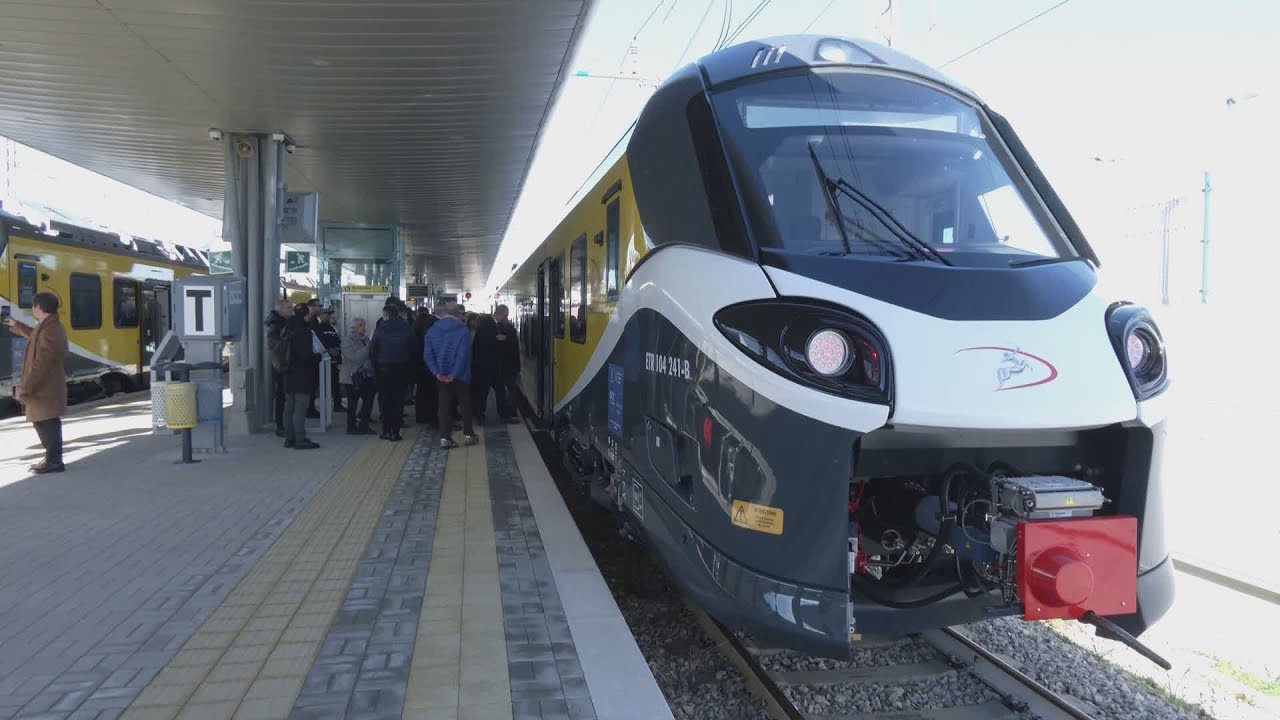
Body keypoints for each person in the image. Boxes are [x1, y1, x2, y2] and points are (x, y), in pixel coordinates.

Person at [3, 292, 69, 473]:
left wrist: (26, 388)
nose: (32, 309)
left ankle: (54, 462)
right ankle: (51, 458)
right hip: (44, 387)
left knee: (46, 422)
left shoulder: (51, 329)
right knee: (43, 420)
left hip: (44, 387)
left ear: (39, 308)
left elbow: (41, 364)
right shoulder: (48, 327)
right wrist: (17, 325)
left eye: (33, 307)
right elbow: (35, 336)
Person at [424, 302, 477, 448]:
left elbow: (428, 355)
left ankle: (445, 439)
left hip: (441, 376)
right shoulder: (462, 331)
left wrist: (437, 373)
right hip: (461, 376)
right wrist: (454, 374)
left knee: (444, 407)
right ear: (457, 314)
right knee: (465, 405)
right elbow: (463, 355)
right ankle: (468, 435)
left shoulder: (433, 330)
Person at [368, 304, 413, 442]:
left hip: (383, 369)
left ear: (386, 315)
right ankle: (396, 432)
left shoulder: (380, 328)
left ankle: (386, 431)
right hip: (402, 368)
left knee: (384, 399)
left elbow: (372, 350)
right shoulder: (406, 327)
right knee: (398, 400)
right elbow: (414, 348)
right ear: (398, 314)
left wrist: (375, 366)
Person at [282, 306, 321, 449]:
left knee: (289, 406)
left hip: (288, 373)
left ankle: (289, 438)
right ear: (305, 316)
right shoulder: (305, 333)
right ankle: (300, 439)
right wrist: (317, 357)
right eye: (309, 314)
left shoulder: (288, 329)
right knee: (300, 407)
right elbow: (306, 356)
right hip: (302, 375)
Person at [339, 317, 376, 435]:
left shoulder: (366, 340)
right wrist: (367, 349)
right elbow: (354, 358)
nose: (364, 328)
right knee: (353, 402)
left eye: (364, 325)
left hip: (367, 375)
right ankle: (351, 426)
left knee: (368, 401)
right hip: (352, 377)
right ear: (353, 328)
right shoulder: (346, 341)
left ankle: (364, 425)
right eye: (360, 325)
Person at [264, 299, 293, 436]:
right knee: (281, 396)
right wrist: (288, 339)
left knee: (286, 396)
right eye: (288, 308)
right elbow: (275, 346)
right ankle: (280, 426)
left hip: (285, 364)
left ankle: (285, 424)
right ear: (280, 310)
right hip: (280, 366)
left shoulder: (284, 323)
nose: (291, 310)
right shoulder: (275, 326)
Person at [493, 304, 521, 422]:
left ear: (502, 315)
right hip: (511, 365)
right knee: (510, 388)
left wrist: (504, 339)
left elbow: (510, 346)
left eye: (497, 314)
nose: (496, 316)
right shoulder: (508, 327)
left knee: (510, 389)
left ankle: (511, 411)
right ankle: (511, 411)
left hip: (507, 365)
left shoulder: (505, 327)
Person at [412, 309, 438, 426]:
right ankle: (431, 417)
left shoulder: (414, 333)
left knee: (421, 392)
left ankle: (421, 416)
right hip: (429, 367)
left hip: (418, 367)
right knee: (431, 393)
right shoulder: (429, 335)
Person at [315, 308, 344, 413]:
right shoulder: (318, 329)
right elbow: (319, 343)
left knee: (335, 383)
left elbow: (337, 341)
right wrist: (329, 349)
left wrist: (337, 349)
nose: (328, 317)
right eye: (325, 315)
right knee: (324, 384)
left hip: (334, 361)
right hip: (323, 361)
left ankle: (337, 404)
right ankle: (323, 406)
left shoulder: (332, 329)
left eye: (329, 315)